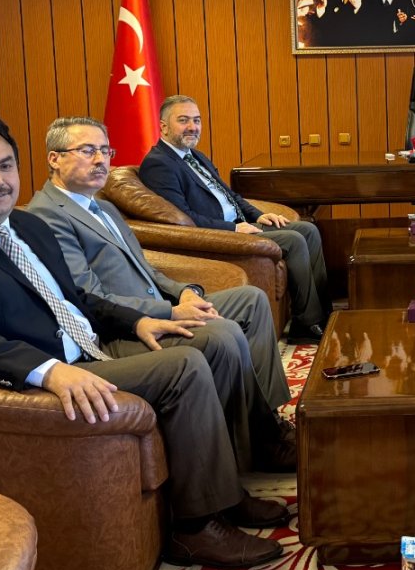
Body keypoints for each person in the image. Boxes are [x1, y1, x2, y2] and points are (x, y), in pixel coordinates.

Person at [0, 115, 286, 568]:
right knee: (184, 366)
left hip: (93, 341)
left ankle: (229, 492)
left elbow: (77, 298)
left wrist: (138, 322)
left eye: (5, 165)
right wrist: (47, 371)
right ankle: (195, 529)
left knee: (212, 341)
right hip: (59, 366)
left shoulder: (26, 226)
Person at [25, 115, 295, 471]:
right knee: (222, 333)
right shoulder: (46, 215)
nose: (101, 160)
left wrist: (184, 293)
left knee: (251, 299)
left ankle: (265, 419)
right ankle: (261, 441)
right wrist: (168, 312)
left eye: (105, 150)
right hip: (122, 329)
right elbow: (88, 296)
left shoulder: (103, 206)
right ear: (54, 159)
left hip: (158, 304)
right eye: (87, 151)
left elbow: (147, 270)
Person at [139, 95, 332, 341]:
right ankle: (307, 325)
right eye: (183, 120)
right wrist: (233, 229)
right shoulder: (158, 164)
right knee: (294, 240)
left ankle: (324, 315)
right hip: (221, 235)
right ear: (164, 126)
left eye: (197, 120)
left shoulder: (196, 156)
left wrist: (260, 215)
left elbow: (231, 196)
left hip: (241, 225)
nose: (192, 127)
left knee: (308, 229)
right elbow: (184, 217)